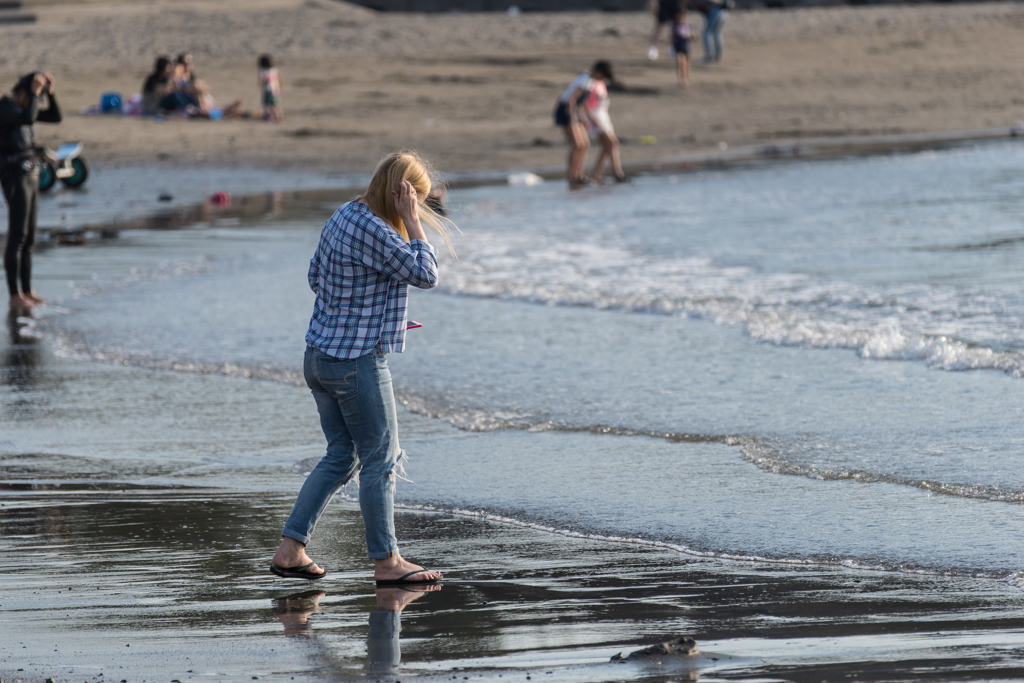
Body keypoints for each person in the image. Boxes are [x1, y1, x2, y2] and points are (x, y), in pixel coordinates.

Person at [270, 151, 455, 585]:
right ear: (401, 194)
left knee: (341, 456)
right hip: (355, 360)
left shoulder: (345, 213)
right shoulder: (378, 228)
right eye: (418, 200)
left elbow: (316, 275)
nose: (421, 209)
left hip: (319, 355)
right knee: (381, 460)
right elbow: (425, 274)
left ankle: (290, 549)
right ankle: (387, 562)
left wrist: (359, 305)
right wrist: (412, 223)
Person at [0, 71, 61, 311]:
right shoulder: (5, 107)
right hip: (14, 175)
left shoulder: (26, 108)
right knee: (17, 235)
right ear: (23, 93)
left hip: (31, 173)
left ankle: (27, 290)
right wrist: (36, 93)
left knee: (30, 237)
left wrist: (50, 94)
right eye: (32, 95)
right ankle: (14, 295)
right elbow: (27, 117)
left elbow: (55, 117)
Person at [581, 62, 627, 184]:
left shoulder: (599, 83)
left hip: (602, 116)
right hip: (595, 117)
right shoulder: (589, 83)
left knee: (608, 145)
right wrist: (592, 119)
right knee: (612, 143)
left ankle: (596, 174)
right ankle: (616, 174)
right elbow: (584, 104)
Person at [554, 65, 596, 189]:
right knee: (576, 145)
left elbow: (580, 103)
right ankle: (571, 177)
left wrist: (582, 119)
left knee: (584, 144)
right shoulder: (584, 80)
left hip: (573, 113)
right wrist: (573, 118)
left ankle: (578, 175)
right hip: (566, 111)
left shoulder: (589, 81)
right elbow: (571, 100)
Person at [258, 55, 283, 122]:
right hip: (276, 89)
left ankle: (273, 117)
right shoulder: (274, 70)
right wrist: (279, 86)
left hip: (268, 90)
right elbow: (279, 78)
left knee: (269, 104)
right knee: (275, 104)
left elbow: (261, 79)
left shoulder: (262, 70)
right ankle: (279, 115)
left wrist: (260, 85)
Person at [674, 7, 693, 86]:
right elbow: (672, 37)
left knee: (687, 64)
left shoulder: (688, 26)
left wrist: (691, 35)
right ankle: (682, 79)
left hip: (686, 47)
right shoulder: (676, 26)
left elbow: (692, 36)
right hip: (679, 47)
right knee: (680, 62)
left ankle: (686, 78)